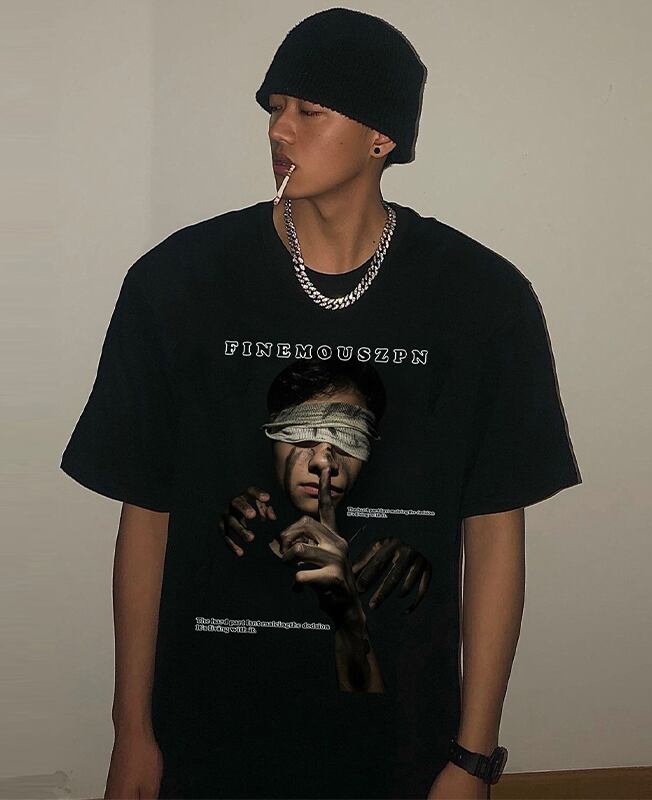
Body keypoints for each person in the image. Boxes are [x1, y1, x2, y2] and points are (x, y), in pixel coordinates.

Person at [60, 7, 580, 799]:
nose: (279, 130)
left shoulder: (481, 301)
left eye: (310, 110)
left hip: (400, 742)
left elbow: (494, 530)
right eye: (274, 108)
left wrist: (473, 756)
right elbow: (147, 516)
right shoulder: (178, 284)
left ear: (382, 137)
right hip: (209, 733)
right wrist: (133, 730)